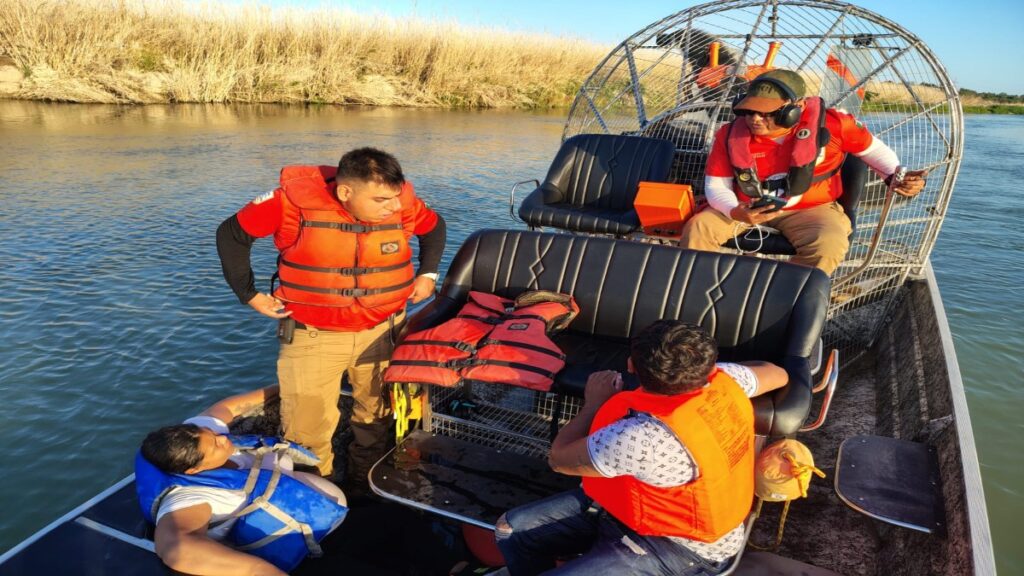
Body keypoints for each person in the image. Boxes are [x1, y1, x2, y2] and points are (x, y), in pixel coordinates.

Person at [216, 147, 446, 486]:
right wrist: (249, 294)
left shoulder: (403, 203)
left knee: (377, 416)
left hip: (385, 331)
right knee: (306, 431)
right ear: (345, 192)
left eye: (395, 197)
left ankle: (364, 485)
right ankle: (319, 493)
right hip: (314, 336)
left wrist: (429, 275)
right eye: (381, 200)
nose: (394, 207)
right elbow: (232, 234)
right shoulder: (288, 203)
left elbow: (434, 227)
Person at [494, 320, 788, 576]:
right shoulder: (727, 382)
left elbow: (558, 459)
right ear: (708, 366)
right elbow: (776, 373)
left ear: (631, 366)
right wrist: (725, 372)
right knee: (512, 529)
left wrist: (594, 404)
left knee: (514, 530)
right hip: (630, 511)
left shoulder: (640, 438)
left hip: (682, 548)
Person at [679, 69, 927, 275]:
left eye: (767, 113)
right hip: (745, 206)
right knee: (699, 227)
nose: (755, 119)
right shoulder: (729, 134)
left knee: (828, 244)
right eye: (749, 111)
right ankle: (699, 293)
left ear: (795, 108)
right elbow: (716, 186)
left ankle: (786, 302)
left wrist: (897, 178)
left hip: (812, 209)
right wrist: (734, 211)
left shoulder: (836, 124)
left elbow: (878, 154)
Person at [136, 386, 348, 576]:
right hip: (266, 543)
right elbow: (174, 546)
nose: (223, 438)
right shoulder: (187, 500)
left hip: (285, 493)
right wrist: (258, 570)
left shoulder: (196, 436)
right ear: (194, 470)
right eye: (216, 446)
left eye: (212, 434)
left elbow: (228, 407)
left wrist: (287, 387)